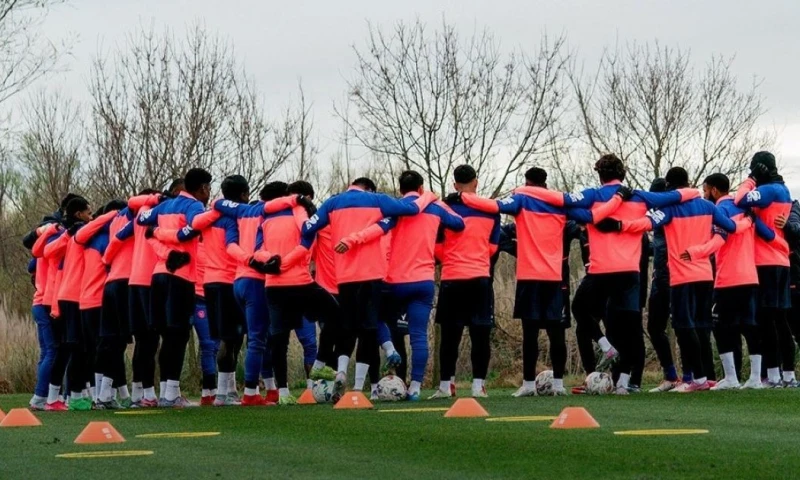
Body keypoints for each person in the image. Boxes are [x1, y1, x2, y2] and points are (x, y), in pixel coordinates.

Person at [531, 155, 700, 395]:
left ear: (600, 175)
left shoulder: (593, 195)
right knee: (630, 329)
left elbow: (562, 200)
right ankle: (622, 384)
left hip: (601, 271)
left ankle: (604, 345)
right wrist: (695, 193)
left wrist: (525, 191)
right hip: (630, 272)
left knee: (580, 308)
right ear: (623, 173)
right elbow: (680, 195)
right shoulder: (640, 196)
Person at [462, 167, 625, 396]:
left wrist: (464, 197)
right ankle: (558, 385)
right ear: (545, 183)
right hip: (554, 278)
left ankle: (529, 385)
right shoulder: (560, 204)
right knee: (555, 333)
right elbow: (592, 217)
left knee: (530, 335)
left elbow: (493, 206)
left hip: (530, 278)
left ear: (527, 182)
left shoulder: (521, 199)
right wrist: (618, 199)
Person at [598, 167, 753, 393]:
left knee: (683, 326)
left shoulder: (671, 208)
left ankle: (696, 379)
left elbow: (646, 224)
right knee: (701, 325)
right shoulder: (709, 206)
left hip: (682, 276)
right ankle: (703, 377)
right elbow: (731, 228)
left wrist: (619, 225)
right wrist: (749, 221)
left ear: (670, 187)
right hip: (705, 276)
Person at [298, 177, 437, 401]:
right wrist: (428, 196)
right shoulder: (377, 199)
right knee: (368, 329)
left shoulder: (332, 203)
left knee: (348, 327)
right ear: (369, 188)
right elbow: (411, 208)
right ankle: (358, 387)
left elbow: (307, 227)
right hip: (371, 274)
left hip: (344, 276)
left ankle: (341, 370)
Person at [336, 170, 465, 401]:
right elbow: (459, 223)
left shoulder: (394, 209)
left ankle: (390, 351)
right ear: (422, 187)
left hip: (393, 282)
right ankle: (415, 387)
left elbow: (377, 229)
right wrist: (435, 201)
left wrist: (352, 240)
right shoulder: (435, 208)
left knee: (375, 320)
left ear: (400, 189)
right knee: (417, 336)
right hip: (423, 281)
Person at [682, 173, 775, 390]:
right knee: (750, 326)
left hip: (727, 279)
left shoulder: (719, 211)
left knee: (722, 328)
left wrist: (696, 252)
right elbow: (765, 233)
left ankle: (731, 377)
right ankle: (754, 378)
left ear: (714, 190)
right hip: (750, 277)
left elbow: (718, 240)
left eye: (705, 190)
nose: (705, 194)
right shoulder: (745, 209)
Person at [250, 180, 338, 405]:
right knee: (337, 315)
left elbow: (257, 250)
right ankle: (319, 366)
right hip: (299, 282)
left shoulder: (265, 216)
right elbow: (306, 239)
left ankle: (283, 393)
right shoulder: (298, 210)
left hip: (274, 286)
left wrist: (270, 262)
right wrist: (285, 263)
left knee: (279, 340)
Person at [138, 167, 212, 407]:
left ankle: (167, 392)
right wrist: (175, 241)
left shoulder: (164, 206)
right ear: (202, 188)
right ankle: (171, 393)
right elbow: (191, 231)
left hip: (158, 275)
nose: (208, 193)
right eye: (208, 188)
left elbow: (143, 222)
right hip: (181, 277)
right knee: (177, 335)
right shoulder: (194, 207)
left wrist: (163, 240)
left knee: (164, 335)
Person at [428, 165, 499, 399]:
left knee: (449, 336)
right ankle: (478, 386)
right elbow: (493, 247)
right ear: (476, 182)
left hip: (452, 278)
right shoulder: (490, 210)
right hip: (480, 278)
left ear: (455, 184)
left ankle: (445, 386)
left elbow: (436, 247)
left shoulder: (444, 209)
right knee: (480, 335)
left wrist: (452, 257)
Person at [734, 152, 794, 387]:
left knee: (767, 321)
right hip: (781, 261)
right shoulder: (785, 190)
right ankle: (788, 374)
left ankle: (774, 374)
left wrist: (749, 180)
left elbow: (739, 200)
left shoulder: (769, 190)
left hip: (765, 262)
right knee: (780, 321)